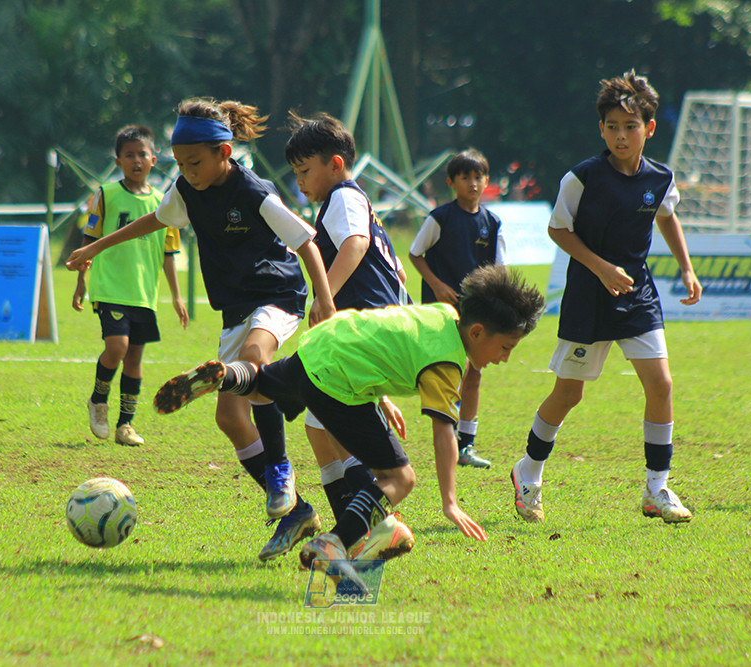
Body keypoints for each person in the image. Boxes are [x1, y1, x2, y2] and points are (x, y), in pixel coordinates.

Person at [67, 98, 336, 561]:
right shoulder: (186, 191)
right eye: (181, 163)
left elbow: (306, 241)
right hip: (235, 305)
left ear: (224, 153)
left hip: (278, 293)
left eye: (195, 163)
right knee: (230, 417)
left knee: (254, 359)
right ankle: (299, 513)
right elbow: (155, 220)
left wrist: (325, 299)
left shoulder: (254, 192)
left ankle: (280, 469)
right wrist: (96, 248)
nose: (188, 171)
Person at [154, 265, 546, 576]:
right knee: (399, 479)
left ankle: (227, 376)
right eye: (506, 347)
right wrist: (450, 502)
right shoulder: (446, 365)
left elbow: (390, 338)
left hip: (325, 344)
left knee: (259, 386)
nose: (505, 357)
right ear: (477, 332)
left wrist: (383, 395)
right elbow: (444, 433)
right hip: (341, 382)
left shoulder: (443, 313)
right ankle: (333, 544)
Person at [510, 70, 703, 525]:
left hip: (637, 294)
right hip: (588, 298)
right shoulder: (582, 178)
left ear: (649, 129)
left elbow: (666, 215)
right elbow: (557, 229)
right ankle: (528, 470)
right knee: (569, 393)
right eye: (612, 126)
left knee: (661, 384)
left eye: (630, 127)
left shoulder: (661, 177)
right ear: (601, 129)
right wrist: (599, 266)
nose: (621, 135)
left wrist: (687, 266)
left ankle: (657, 488)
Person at [284, 110, 409, 526]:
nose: (299, 182)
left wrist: (324, 297)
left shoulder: (344, 198)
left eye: (304, 171)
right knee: (320, 429)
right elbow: (396, 271)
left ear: (334, 164)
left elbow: (355, 245)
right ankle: (353, 523)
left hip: (365, 329)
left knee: (340, 431)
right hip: (371, 329)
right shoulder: (355, 202)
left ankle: (366, 525)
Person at [73, 124, 189, 447]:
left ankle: (125, 425)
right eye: (129, 155)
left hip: (144, 293)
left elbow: (169, 253)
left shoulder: (164, 203)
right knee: (118, 348)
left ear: (154, 159)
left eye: (142, 155)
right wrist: (81, 282)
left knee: (135, 358)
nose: (136, 161)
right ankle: (98, 399)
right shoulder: (105, 195)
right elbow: (90, 240)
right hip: (110, 287)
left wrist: (177, 296)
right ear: (118, 160)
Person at [408, 149, 504, 469]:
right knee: (447, 372)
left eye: (478, 177)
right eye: (465, 178)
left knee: (474, 373)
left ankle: (467, 444)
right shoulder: (440, 218)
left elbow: (498, 270)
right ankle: (446, 436)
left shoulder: (492, 222)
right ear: (452, 182)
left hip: (476, 310)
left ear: (486, 181)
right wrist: (436, 285)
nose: (473, 184)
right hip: (443, 310)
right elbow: (415, 253)